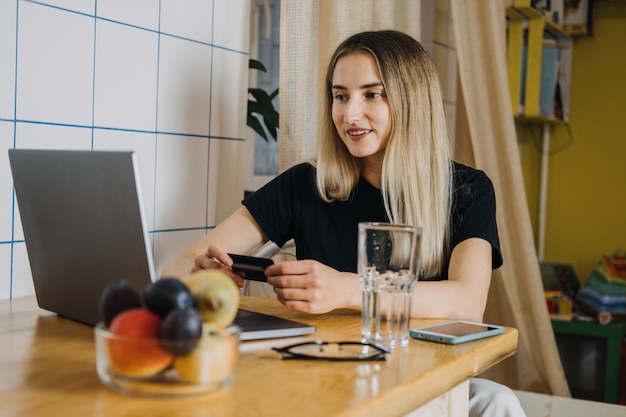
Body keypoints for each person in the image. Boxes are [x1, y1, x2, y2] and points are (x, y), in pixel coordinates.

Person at [163, 30, 526, 417]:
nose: (349, 115)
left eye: (372, 94)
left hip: (423, 375)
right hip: (327, 375)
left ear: (412, 101)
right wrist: (201, 274)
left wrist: (347, 289)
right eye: (340, 96)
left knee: (498, 402)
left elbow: (469, 302)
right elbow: (179, 265)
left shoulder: (467, 189)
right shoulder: (305, 183)